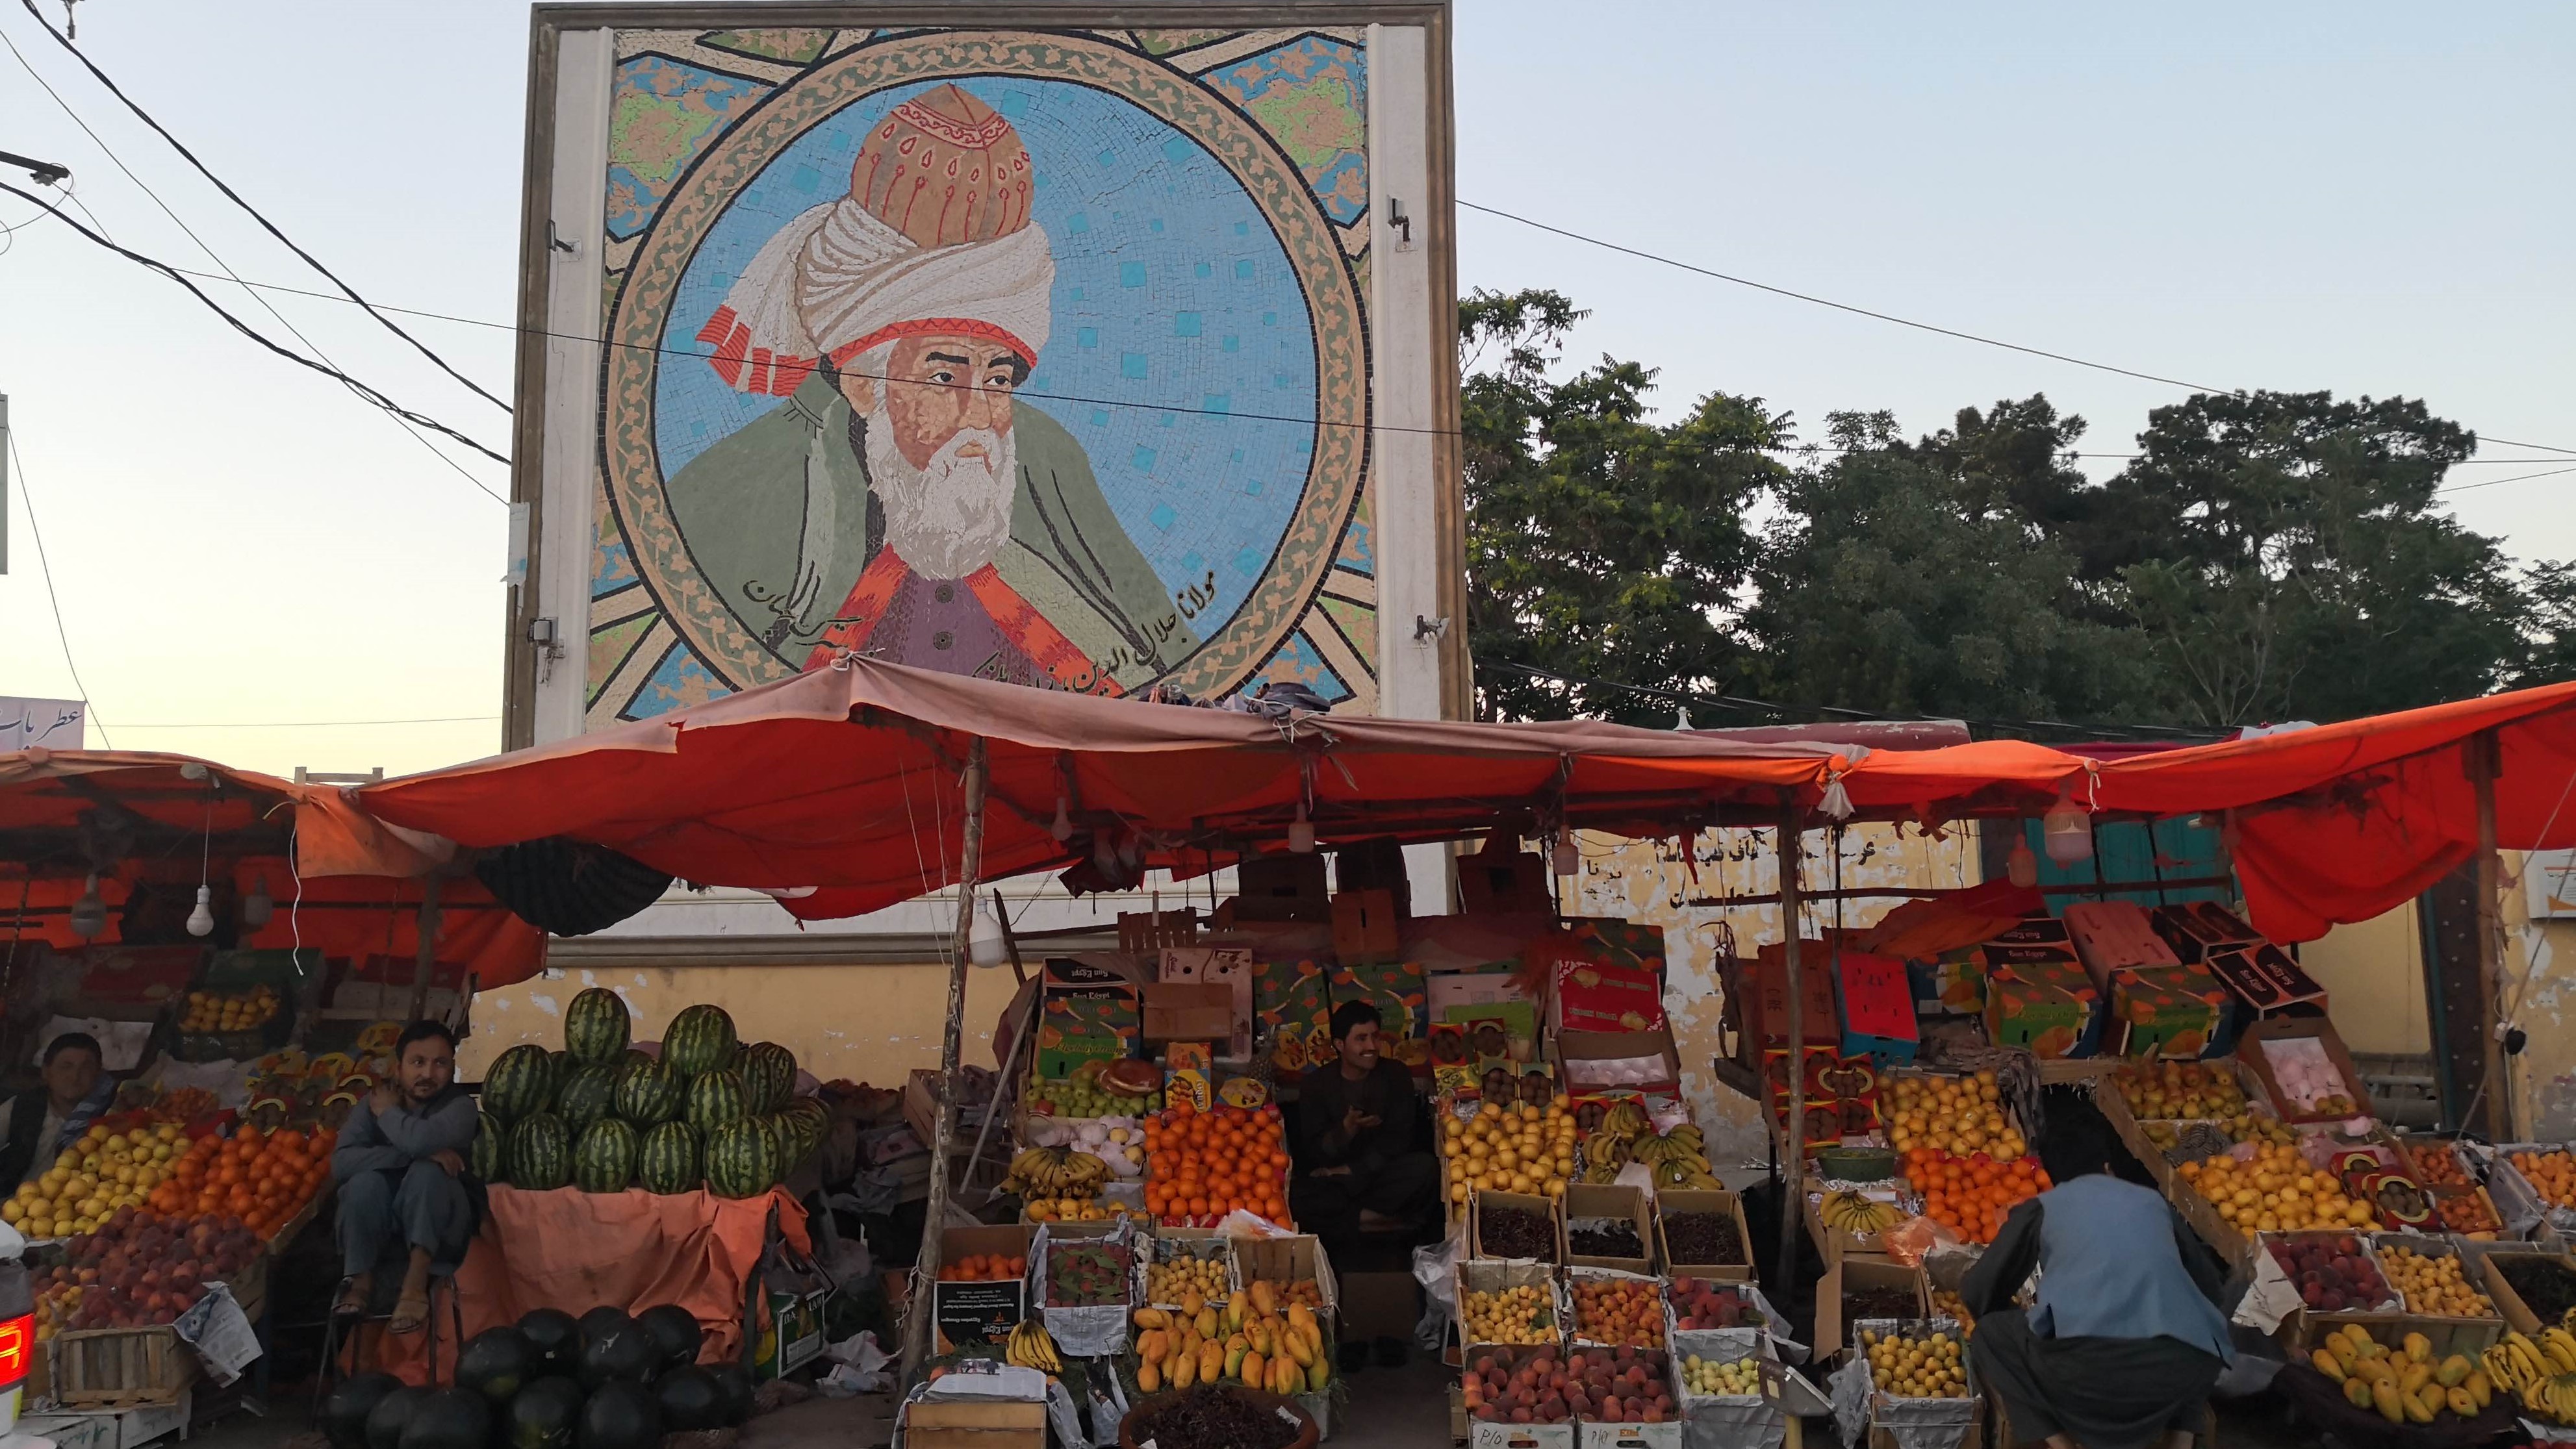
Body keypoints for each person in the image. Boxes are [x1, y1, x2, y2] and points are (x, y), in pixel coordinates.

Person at [668, 82, 1193, 691]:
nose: (979, 415)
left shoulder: (1046, 456)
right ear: (863, 382)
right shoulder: (738, 486)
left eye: (998, 379)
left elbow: (1153, 652)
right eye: (944, 377)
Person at [1963, 1105, 2232, 1449]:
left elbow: (1977, 1291)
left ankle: (2061, 1444)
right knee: (2202, 1328)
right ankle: (2181, 1439)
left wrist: (2015, 1314)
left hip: (2080, 1377)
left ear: (2052, 1176)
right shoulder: (2152, 1202)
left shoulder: (2045, 1207)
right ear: (2108, 1168)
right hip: (2169, 1378)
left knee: (1989, 1334)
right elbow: (2210, 1289)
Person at [332, 1021, 478, 1333]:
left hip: (444, 1229)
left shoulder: (460, 1108)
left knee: (428, 1173)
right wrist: (410, 1155)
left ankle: (415, 1284)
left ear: (452, 1068)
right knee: (363, 1183)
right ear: (399, 1068)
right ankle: (360, 1281)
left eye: (440, 1063)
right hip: (382, 1225)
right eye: (417, 1063)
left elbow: (421, 1141)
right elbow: (342, 1163)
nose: (427, 1074)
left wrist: (389, 1115)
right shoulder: (371, 1105)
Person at [1290, 1000, 1438, 1261]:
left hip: (1379, 1173)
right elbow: (1314, 1151)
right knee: (1300, 1194)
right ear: (1339, 1045)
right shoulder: (1316, 1085)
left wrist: (1350, 1171)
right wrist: (1346, 1130)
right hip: (1336, 1183)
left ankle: (1359, 1222)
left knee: (1425, 1168)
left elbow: (1401, 1140)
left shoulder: (1396, 1075)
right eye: (1361, 1039)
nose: (1371, 1046)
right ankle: (1383, 1223)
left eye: (1375, 1037)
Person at [0, 1033, 118, 1189]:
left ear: (97, 1074)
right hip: (16, 1205)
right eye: (66, 1066)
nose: (75, 1076)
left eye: (86, 1067)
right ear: (46, 1072)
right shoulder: (21, 1108)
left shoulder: (111, 1113)